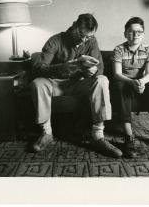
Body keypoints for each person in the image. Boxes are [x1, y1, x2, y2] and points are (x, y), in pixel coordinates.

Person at [31, 13, 122, 158]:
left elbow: (100, 67)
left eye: (88, 37)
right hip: (55, 84)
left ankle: (98, 136)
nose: (84, 39)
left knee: (102, 79)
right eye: (81, 34)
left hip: (78, 84)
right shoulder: (55, 40)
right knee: (37, 83)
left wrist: (93, 71)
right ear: (74, 26)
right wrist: (62, 67)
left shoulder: (91, 41)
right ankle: (46, 133)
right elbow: (38, 68)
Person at [112, 17, 149, 157]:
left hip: (141, 82)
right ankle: (129, 137)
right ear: (125, 33)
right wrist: (131, 82)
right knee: (121, 88)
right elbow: (117, 74)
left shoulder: (148, 49)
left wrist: (142, 82)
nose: (135, 34)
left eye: (139, 32)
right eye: (131, 31)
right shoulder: (119, 49)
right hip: (125, 82)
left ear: (143, 34)